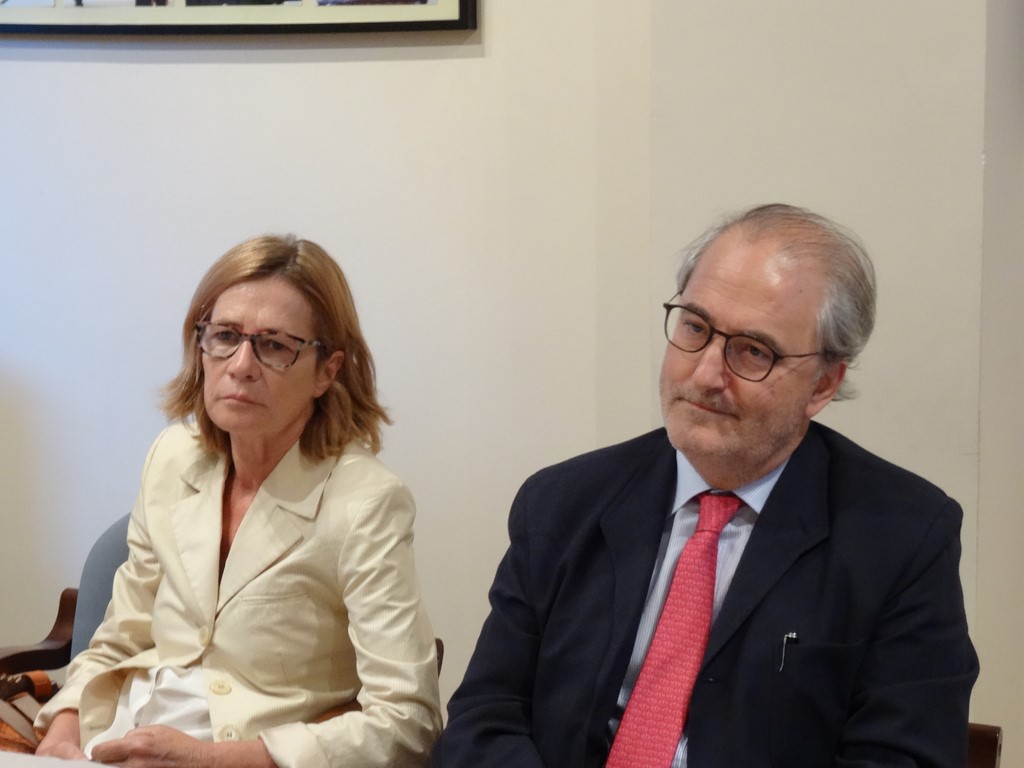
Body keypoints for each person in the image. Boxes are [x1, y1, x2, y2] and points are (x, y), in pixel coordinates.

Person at [433, 204, 979, 767]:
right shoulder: (561, 503)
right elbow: (486, 717)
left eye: (754, 351)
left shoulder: (902, 538)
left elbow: (903, 758)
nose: (705, 374)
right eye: (695, 328)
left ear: (823, 385)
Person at [34, 234, 442, 767]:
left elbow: (408, 721)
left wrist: (215, 759)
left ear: (327, 370)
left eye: (274, 346)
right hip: (112, 740)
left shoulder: (366, 503)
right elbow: (120, 637)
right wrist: (64, 725)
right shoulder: (173, 456)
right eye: (225, 336)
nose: (241, 365)